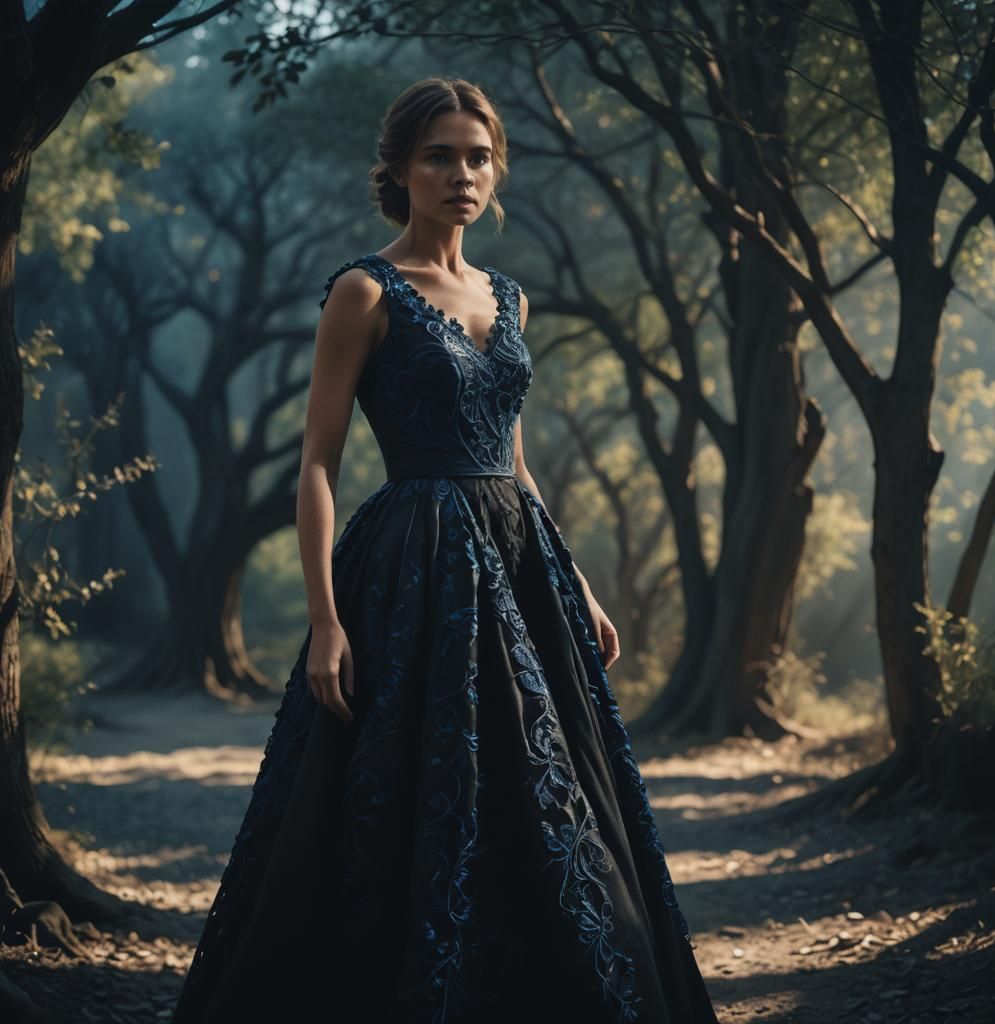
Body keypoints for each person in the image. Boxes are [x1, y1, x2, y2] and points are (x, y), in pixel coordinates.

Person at [170, 75, 719, 1024]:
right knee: (417, 785)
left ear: (495, 170)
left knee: (543, 785)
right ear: (399, 170)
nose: (462, 173)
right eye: (439, 156)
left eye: (478, 156)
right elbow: (316, 466)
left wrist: (576, 578)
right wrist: (325, 621)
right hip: (414, 564)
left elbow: (511, 453)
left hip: (521, 559)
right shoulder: (364, 290)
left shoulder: (510, 297)